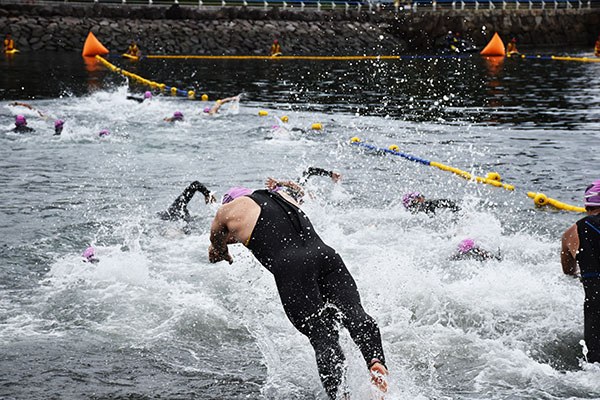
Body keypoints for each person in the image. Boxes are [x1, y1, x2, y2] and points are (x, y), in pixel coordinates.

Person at [209, 187, 388, 399]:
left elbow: (218, 243)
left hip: (293, 268)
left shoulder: (226, 212)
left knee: (323, 337)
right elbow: (274, 227)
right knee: (355, 314)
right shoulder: (281, 196)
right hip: (327, 257)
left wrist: (222, 252)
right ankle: (375, 362)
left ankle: (342, 396)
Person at [561, 180, 600, 364]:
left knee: (594, 366)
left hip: (594, 307)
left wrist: (585, 274)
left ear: (587, 205)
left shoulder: (571, 233)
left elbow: (568, 270)